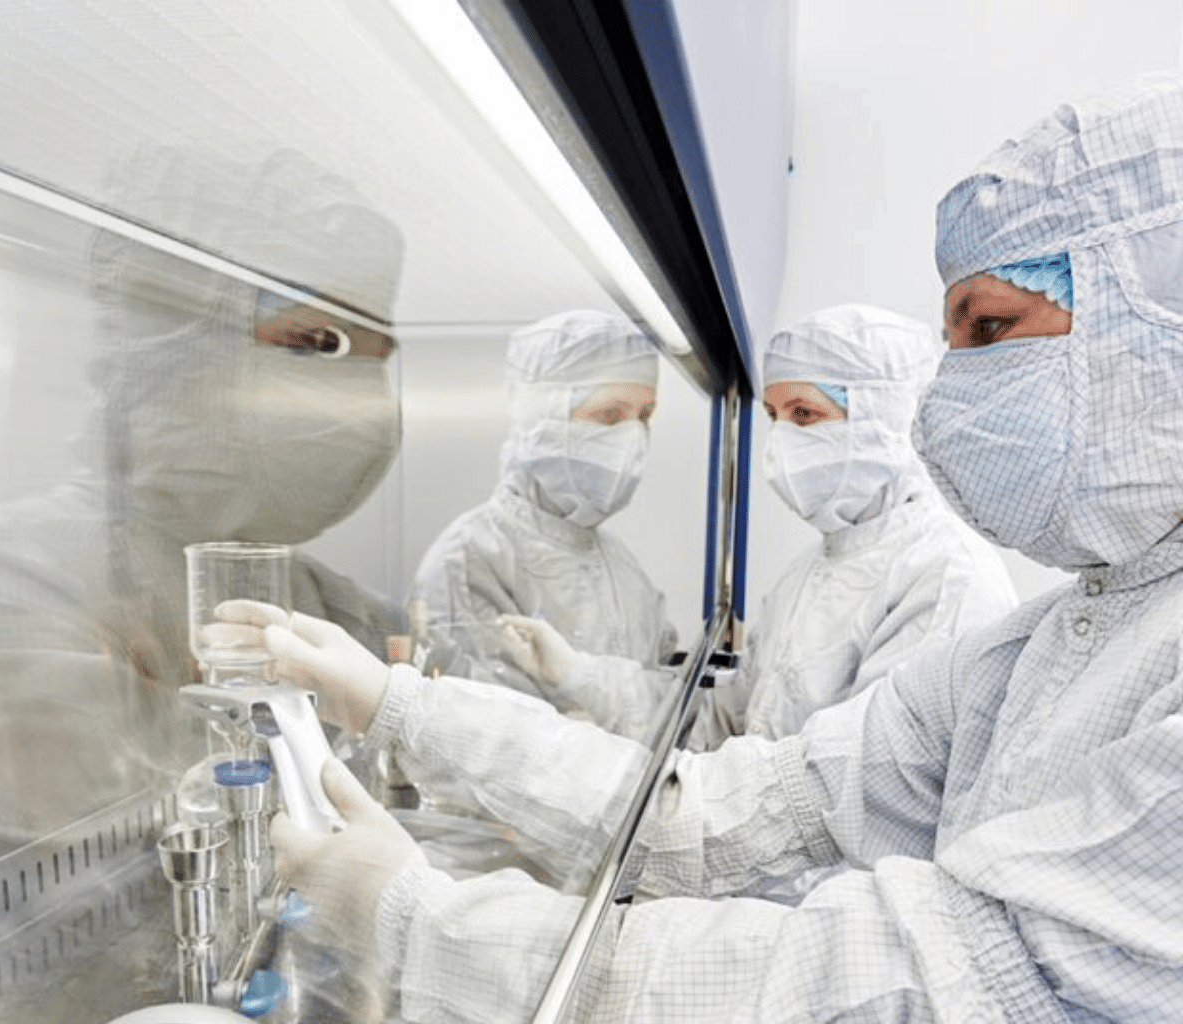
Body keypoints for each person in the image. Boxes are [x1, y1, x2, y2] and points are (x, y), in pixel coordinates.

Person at [230, 71, 1183, 1022]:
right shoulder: (1053, 638)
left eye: (990, 328)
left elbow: (915, 984)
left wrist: (421, 923)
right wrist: (407, 706)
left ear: (1155, 315)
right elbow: (745, 801)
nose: (950, 398)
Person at [0, 146, 407, 910]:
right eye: (314, 342)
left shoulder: (339, 609)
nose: (360, 400)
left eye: (374, 358)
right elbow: (111, 909)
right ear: (173, 347)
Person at [501, 305, 1019, 748]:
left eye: (806, 414)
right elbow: (721, 721)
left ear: (889, 418)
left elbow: (855, 789)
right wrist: (578, 675)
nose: (784, 440)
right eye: (775, 415)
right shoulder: (812, 574)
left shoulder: (945, 580)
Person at [408, 310, 678, 714]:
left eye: (644, 417)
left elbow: (664, 696)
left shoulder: (620, 564)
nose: (632, 439)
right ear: (540, 419)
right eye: (610, 414)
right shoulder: (468, 562)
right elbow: (487, 740)